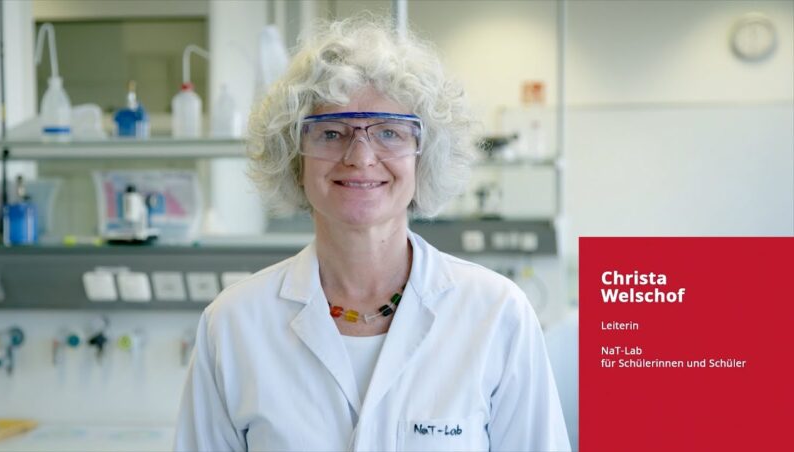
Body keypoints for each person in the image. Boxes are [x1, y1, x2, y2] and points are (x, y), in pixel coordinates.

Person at [175, 15, 570, 452]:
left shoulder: (496, 314)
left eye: (388, 133)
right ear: (293, 158)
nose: (361, 157)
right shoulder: (233, 324)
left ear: (424, 156)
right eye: (331, 133)